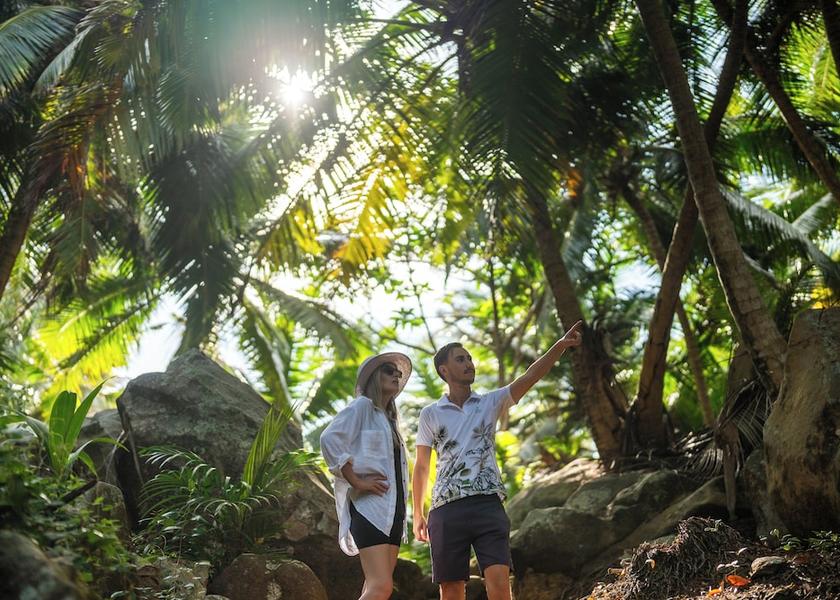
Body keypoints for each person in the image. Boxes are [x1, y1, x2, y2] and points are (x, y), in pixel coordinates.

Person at [412, 321, 584, 600]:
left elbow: (530, 376)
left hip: (487, 504)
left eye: (469, 358)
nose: (469, 363)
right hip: (446, 509)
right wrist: (418, 513)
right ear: (444, 371)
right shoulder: (430, 414)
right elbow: (421, 466)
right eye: (461, 359)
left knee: (500, 584)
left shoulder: (490, 402)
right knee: (451, 590)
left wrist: (559, 346)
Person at [320, 352, 412, 600]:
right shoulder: (362, 406)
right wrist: (357, 481)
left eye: (398, 373)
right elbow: (329, 439)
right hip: (370, 510)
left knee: (377, 587)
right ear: (373, 377)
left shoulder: (390, 420)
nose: (396, 375)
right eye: (388, 370)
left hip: (394, 513)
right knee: (381, 587)